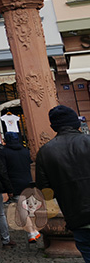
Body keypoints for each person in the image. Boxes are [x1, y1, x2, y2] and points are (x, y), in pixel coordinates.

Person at [35, 105, 90, 262]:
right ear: (76, 123)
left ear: (54, 127)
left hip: (78, 218)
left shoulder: (45, 152)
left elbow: (45, 192)